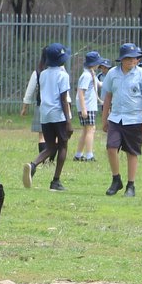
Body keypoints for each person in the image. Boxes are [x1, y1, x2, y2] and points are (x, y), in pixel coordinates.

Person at [99, 44, 142, 197]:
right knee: (111, 147)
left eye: (134, 58)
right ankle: (116, 179)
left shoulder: (141, 74)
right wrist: (104, 119)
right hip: (116, 117)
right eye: (128, 58)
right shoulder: (112, 74)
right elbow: (108, 96)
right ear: (122, 60)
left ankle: (131, 185)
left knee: (131, 152)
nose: (132, 61)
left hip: (135, 118)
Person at [23, 43, 72, 191]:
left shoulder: (42, 73)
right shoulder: (63, 75)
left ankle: (32, 165)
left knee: (50, 146)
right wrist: (69, 121)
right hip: (59, 115)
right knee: (63, 146)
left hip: (45, 115)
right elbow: (64, 99)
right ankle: (56, 181)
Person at [76, 51, 107, 162]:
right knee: (91, 129)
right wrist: (84, 109)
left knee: (86, 130)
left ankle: (78, 154)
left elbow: (99, 84)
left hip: (90, 105)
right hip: (87, 106)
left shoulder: (92, 74)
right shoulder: (86, 75)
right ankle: (89, 155)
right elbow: (81, 92)